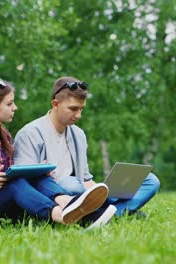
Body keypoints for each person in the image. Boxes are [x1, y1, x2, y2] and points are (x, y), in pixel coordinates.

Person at [0, 78, 110, 229]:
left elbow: (12, 176)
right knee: (15, 185)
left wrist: (36, 171)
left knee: (33, 175)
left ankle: (68, 203)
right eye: (9, 104)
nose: (15, 107)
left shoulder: (4, 136)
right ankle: (63, 214)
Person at [13, 76, 160, 219]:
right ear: (55, 104)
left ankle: (113, 214)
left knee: (150, 180)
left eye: (81, 109)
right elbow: (24, 183)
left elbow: (85, 178)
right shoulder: (30, 133)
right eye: (73, 109)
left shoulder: (78, 134)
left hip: (83, 192)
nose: (78, 115)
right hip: (58, 196)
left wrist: (100, 190)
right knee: (71, 184)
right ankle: (111, 212)